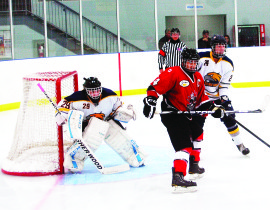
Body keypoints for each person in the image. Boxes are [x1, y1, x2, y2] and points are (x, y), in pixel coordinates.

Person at [143, 48, 225, 193]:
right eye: (189, 62)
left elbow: (202, 100)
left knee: (198, 133)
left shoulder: (198, 77)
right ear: (183, 61)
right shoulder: (173, 72)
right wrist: (150, 101)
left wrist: (213, 108)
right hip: (173, 114)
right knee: (184, 146)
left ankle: (194, 166)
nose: (192, 65)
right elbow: (154, 88)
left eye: (194, 63)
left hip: (186, 114)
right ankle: (178, 178)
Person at [55, 77, 146, 172]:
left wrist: (125, 113)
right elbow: (60, 110)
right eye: (91, 91)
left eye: (97, 90)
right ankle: (74, 160)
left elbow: (118, 109)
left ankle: (135, 157)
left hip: (106, 122)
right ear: (86, 91)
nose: (95, 94)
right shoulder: (75, 98)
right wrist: (62, 116)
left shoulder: (110, 95)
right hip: (85, 126)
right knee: (93, 134)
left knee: (116, 134)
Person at [197, 34, 249, 156]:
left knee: (230, 118)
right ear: (212, 47)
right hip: (201, 97)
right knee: (197, 123)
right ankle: (194, 150)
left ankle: (240, 144)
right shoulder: (200, 58)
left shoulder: (228, 63)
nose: (221, 49)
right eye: (218, 46)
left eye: (223, 46)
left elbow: (224, 86)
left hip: (216, 97)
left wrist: (224, 99)